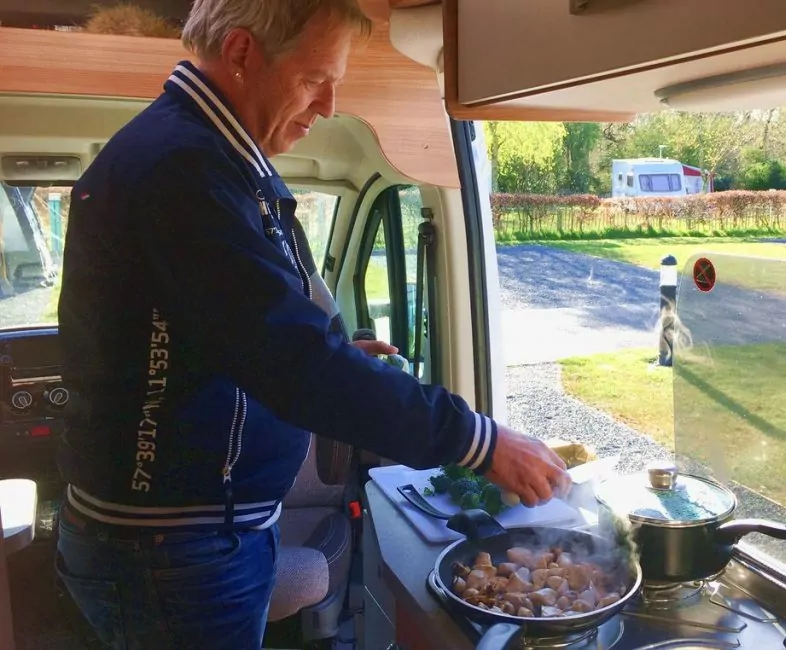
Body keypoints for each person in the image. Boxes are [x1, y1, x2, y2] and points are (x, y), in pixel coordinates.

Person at [53, 1, 571, 647]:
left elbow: (233, 329)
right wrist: (479, 440)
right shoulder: (185, 169)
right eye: (314, 78)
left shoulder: (211, 157)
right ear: (241, 53)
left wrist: (342, 351)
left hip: (191, 537)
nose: (327, 104)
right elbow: (293, 364)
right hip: (172, 548)